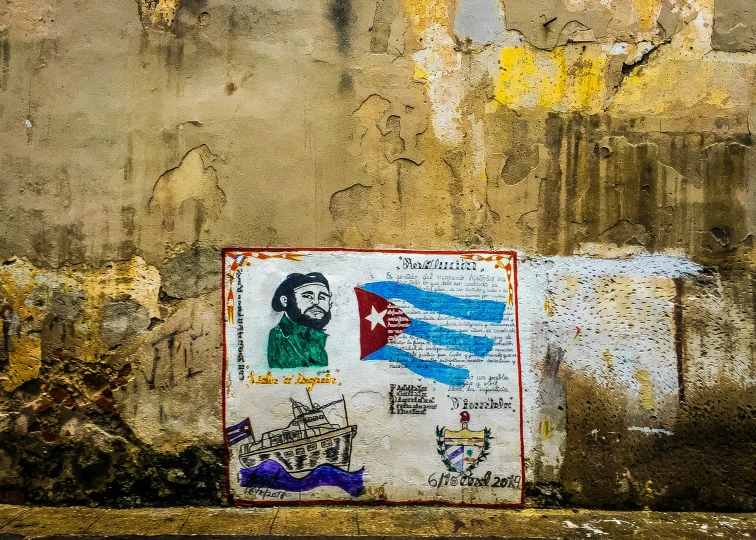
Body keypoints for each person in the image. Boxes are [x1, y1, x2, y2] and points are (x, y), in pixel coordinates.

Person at [267, 272, 332, 369]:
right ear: (285, 301)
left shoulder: (316, 336)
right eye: (307, 296)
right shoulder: (279, 336)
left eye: (322, 297)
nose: (316, 302)